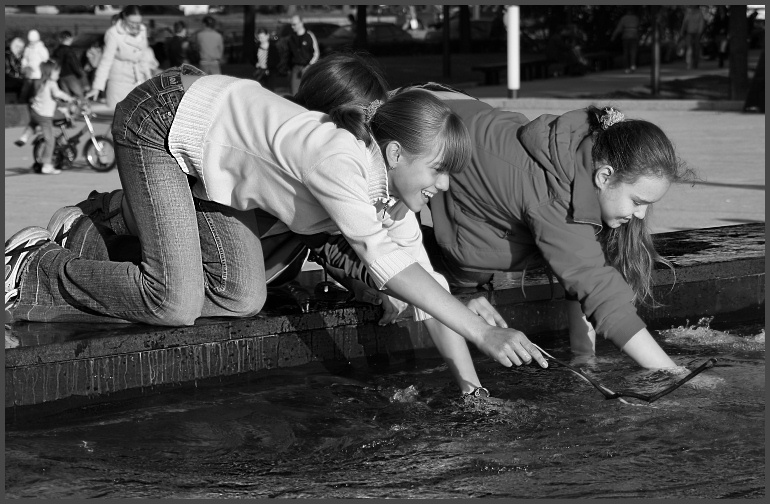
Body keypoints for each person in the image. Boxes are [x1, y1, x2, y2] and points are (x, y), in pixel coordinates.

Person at [5, 57, 548, 396]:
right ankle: (30, 271)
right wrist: (485, 332)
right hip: (162, 121)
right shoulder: (342, 159)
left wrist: (473, 391)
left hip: (213, 168)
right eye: (439, 172)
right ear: (398, 151)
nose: (445, 188)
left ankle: (85, 247)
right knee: (174, 300)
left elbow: (424, 283)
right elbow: (386, 264)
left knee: (243, 297)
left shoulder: (389, 196)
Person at [291, 84, 697, 373]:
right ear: (605, 176)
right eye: (638, 202)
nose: (640, 216)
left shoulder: (579, 159)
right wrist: (670, 373)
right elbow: (595, 287)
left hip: (450, 114)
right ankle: (324, 245)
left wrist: (583, 359)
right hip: (422, 131)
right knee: (368, 232)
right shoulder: (548, 197)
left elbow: (582, 273)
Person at [13, 59, 76, 175]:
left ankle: (24, 137)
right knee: (50, 140)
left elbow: (49, 99)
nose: (58, 74)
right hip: (44, 116)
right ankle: (46, 165)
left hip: (34, 111)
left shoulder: (42, 83)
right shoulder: (52, 84)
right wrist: (69, 98)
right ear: (49, 73)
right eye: (56, 72)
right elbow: (58, 94)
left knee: (33, 123)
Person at [85, 5, 155, 108]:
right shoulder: (113, 33)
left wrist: (149, 79)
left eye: (138, 22)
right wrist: (97, 87)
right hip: (118, 82)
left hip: (138, 79)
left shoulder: (142, 30)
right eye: (132, 22)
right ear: (124, 17)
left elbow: (143, 57)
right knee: (119, 118)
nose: (135, 26)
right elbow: (106, 61)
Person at [282, 15, 320, 94]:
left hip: (307, 68)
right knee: (294, 93)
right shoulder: (291, 38)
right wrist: (287, 68)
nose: (292, 27)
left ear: (301, 23)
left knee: (307, 92)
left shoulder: (309, 36)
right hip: (295, 68)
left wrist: (309, 65)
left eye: (294, 24)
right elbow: (288, 55)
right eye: (291, 24)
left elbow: (316, 53)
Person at [52, 30, 88, 99]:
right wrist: (80, 74)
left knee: (67, 97)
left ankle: (69, 109)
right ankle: (83, 108)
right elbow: (74, 63)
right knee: (79, 94)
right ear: (70, 39)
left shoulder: (56, 51)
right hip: (70, 75)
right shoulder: (69, 51)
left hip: (60, 76)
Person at [19, 29, 50, 104]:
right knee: (25, 89)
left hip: (39, 73)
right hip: (29, 73)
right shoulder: (28, 48)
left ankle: (36, 103)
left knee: (37, 89)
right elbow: (25, 59)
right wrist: (24, 66)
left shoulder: (41, 49)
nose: (32, 43)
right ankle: (21, 102)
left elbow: (46, 59)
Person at [611, 8, 641, 73]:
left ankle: (626, 68)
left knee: (626, 53)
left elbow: (619, 28)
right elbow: (638, 28)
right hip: (634, 36)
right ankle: (632, 66)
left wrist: (613, 36)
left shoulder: (624, 18)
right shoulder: (635, 18)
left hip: (626, 37)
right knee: (633, 52)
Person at [680, 5, 705, 70]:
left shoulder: (699, 13)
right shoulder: (688, 12)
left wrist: (699, 32)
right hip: (689, 32)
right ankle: (689, 63)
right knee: (689, 48)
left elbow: (701, 23)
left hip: (696, 33)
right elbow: (684, 23)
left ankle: (695, 63)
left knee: (696, 48)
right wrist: (682, 31)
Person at [5, 37, 25, 102]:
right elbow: (8, 70)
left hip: (19, 77)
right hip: (9, 78)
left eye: (22, 47)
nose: (20, 49)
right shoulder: (7, 55)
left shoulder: (21, 56)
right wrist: (19, 76)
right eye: (18, 47)